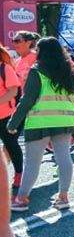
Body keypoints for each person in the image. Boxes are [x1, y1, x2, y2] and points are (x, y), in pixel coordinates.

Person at [8, 37, 74, 212]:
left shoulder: (37, 71)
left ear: (42, 52)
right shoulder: (70, 70)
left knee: (33, 162)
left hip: (40, 121)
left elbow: (28, 99)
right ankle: (63, 197)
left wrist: (13, 122)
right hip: (65, 120)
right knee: (64, 157)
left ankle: (22, 198)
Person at [0, 47, 24, 191]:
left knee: (10, 145)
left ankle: (19, 174)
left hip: (9, 115)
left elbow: (13, 91)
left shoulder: (5, 68)